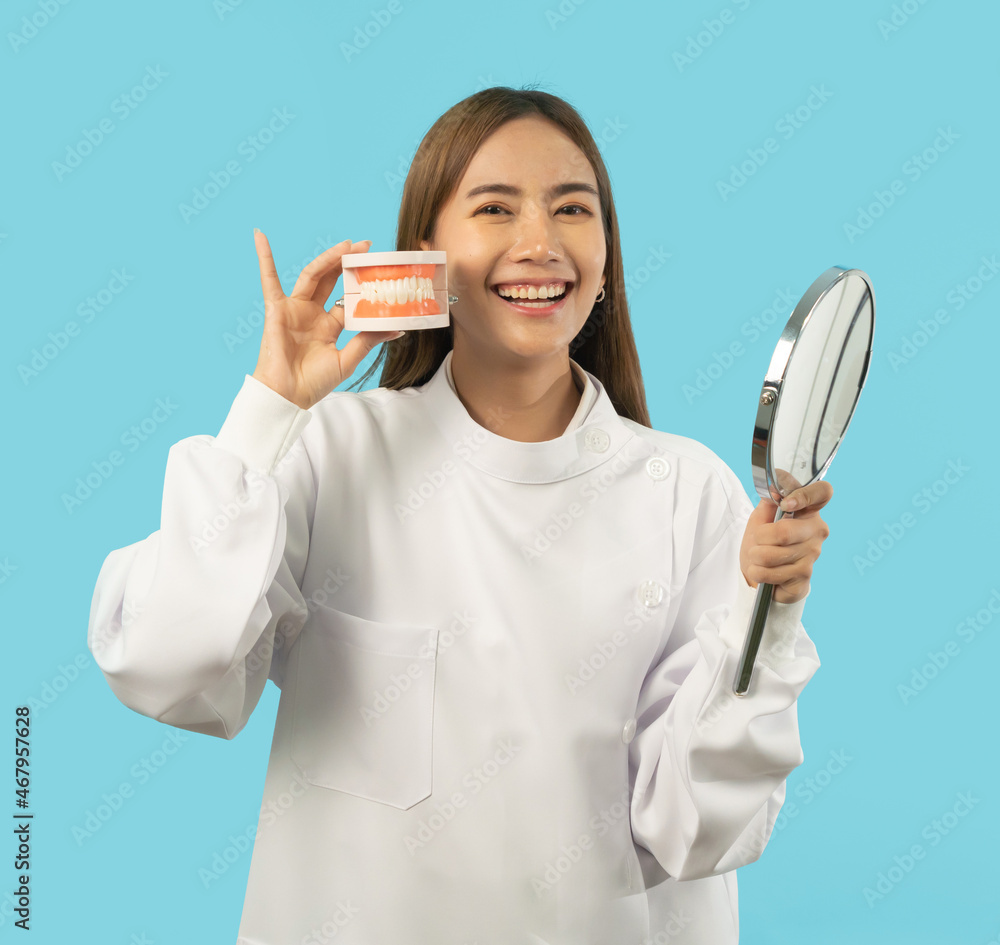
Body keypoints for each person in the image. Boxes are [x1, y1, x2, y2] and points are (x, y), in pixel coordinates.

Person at [87, 86, 831, 945]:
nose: (540, 243)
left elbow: (698, 828)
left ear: (608, 253)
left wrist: (763, 615)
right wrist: (264, 415)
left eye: (572, 209)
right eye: (495, 207)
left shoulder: (690, 493)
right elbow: (164, 668)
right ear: (426, 254)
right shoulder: (333, 455)